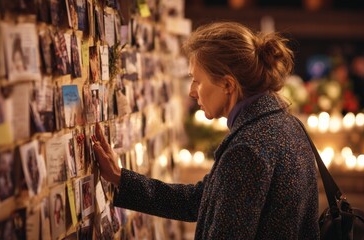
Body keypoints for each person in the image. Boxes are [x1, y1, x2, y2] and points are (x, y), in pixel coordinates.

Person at [93, 21, 319, 239]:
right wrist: (120, 178)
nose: (192, 92)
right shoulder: (285, 124)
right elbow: (200, 200)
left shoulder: (248, 148)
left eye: (196, 81)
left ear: (228, 85)